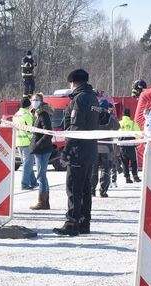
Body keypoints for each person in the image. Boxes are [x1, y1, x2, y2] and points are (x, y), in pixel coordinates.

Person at [53, 69, 99, 236]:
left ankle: (72, 222)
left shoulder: (79, 99)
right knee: (86, 188)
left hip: (78, 149)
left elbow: (75, 127)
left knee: (73, 187)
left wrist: (67, 151)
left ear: (73, 82)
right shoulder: (94, 98)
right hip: (90, 148)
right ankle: (84, 222)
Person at [29, 93, 53, 210]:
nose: (34, 101)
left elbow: (47, 132)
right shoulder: (37, 114)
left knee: (41, 176)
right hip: (40, 149)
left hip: (43, 149)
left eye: (37, 99)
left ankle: (42, 202)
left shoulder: (43, 114)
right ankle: (45, 201)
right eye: (33, 99)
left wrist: (37, 145)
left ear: (41, 101)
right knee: (42, 175)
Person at [91, 100, 120, 198]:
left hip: (94, 146)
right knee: (105, 169)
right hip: (106, 147)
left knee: (93, 169)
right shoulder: (109, 116)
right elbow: (117, 127)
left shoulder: (93, 117)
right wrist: (112, 115)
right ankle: (103, 191)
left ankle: (91, 190)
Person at [14, 98, 37, 190]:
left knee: (27, 163)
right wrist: (33, 141)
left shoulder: (16, 115)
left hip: (18, 142)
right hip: (27, 142)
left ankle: (33, 181)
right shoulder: (27, 115)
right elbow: (29, 130)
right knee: (28, 164)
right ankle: (24, 183)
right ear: (29, 105)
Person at [119, 108, 142, 183]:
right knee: (134, 161)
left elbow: (115, 135)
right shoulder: (133, 123)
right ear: (129, 115)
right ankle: (135, 176)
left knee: (124, 162)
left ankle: (127, 178)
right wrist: (137, 141)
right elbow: (138, 134)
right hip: (132, 146)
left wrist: (117, 143)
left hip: (122, 146)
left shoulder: (119, 123)